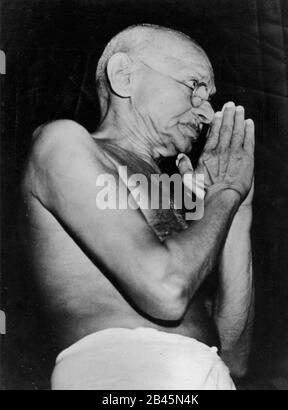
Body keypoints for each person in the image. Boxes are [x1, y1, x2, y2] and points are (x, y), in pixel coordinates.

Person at [20, 24, 255, 390]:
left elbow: (235, 357)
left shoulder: (175, 192)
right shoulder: (61, 142)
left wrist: (238, 208)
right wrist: (223, 194)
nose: (207, 112)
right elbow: (166, 292)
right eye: (195, 88)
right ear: (125, 76)